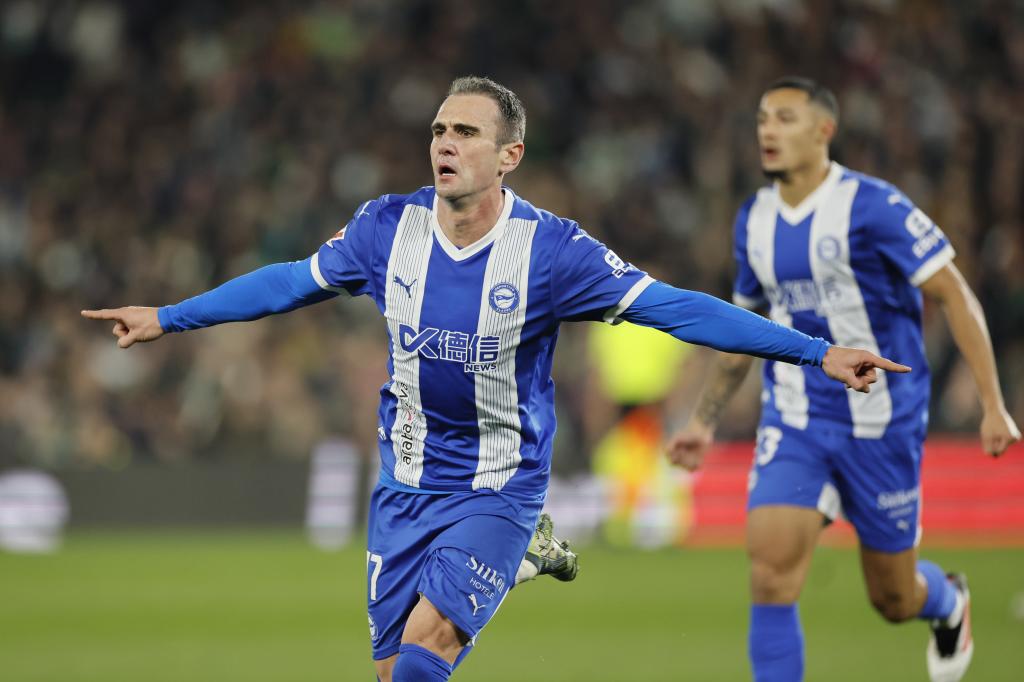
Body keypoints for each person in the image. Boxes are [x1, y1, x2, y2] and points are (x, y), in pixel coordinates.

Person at [83, 76, 907, 682]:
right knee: (389, 668)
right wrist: (170, 315)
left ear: (508, 156)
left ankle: (512, 542)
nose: (445, 142)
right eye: (439, 128)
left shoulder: (553, 252)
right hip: (403, 480)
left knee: (422, 658)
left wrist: (812, 349)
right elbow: (286, 283)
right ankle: (522, 560)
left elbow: (678, 309)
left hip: (499, 483)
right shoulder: (385, 229)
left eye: (467, 132)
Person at [667, 76, 1021, 682]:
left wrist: (993, 403)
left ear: (824, 130)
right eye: (761, 119)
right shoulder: (753, 219)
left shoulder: (872, 205)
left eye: (784, 118)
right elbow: (742, 329)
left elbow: (955, 294)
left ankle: (945, 600)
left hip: (882, 424)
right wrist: (703, 420)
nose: (768, 131)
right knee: (770, 571)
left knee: (893, 599)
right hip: (798, 421)